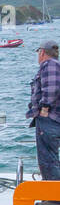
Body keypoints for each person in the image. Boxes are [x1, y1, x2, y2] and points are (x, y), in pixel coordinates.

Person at [27, 40, 60, 185]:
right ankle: (52, 194)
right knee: (49, 157)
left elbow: (52, 89)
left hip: (49, 119)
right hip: (52, 119)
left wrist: (44, 109)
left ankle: (54, 197)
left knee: (48, 158)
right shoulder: (54, 65)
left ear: (42, 52)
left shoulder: (49, 65)